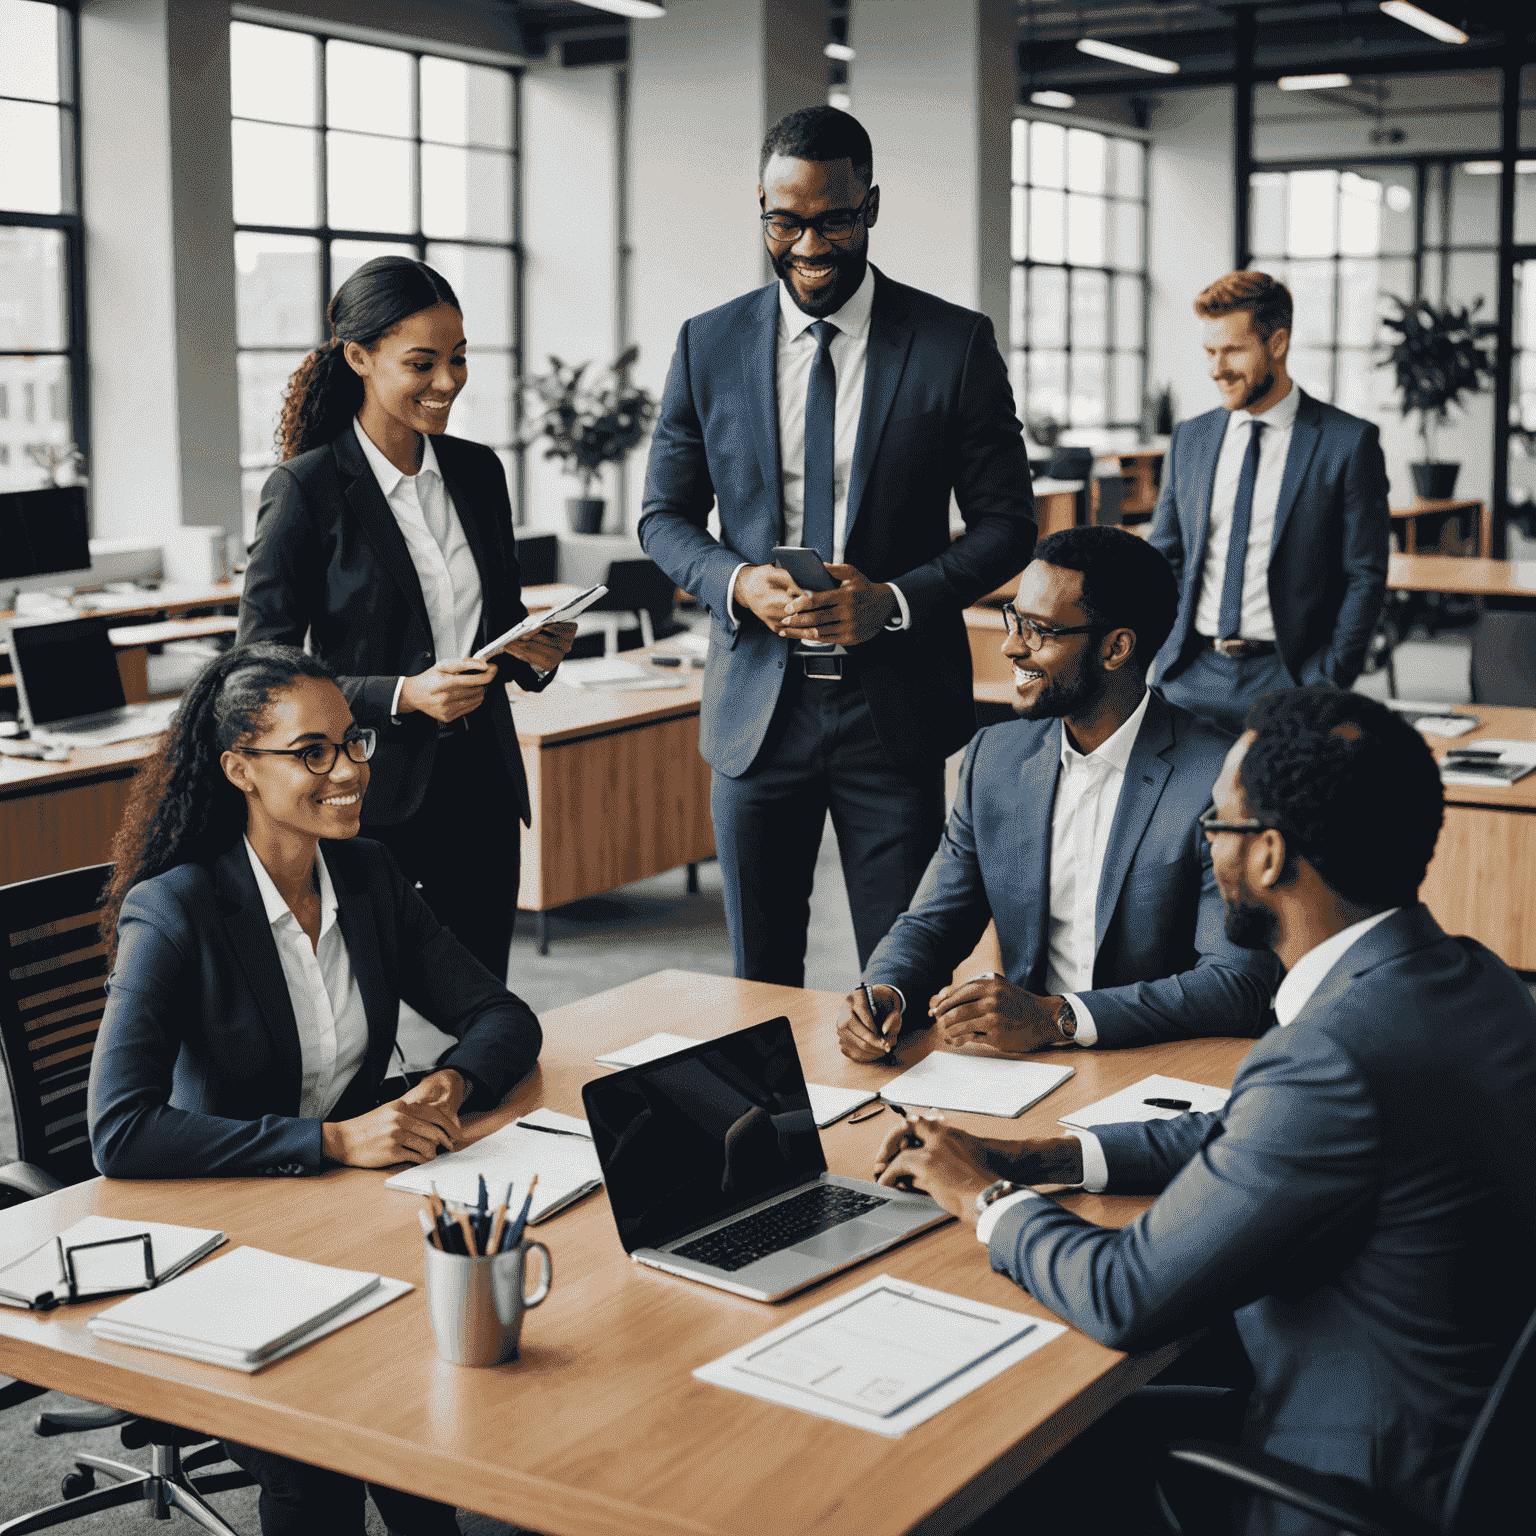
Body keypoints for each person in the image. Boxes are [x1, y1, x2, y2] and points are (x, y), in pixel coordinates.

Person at [873, 688, 1536, 1535]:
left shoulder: (1329, 1057)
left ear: (1267, 857)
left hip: (1348, 1485)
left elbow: (1126, 1293)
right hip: (1468, 1452)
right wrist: (1049, 1156)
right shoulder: (1474, 978)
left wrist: (980, 1200)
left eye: (1214, 825)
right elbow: (1260, 1136)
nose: (1204, 844)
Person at [89, 644, 543, 1534]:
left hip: (351, 1219)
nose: (350, 771)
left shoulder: (368, 877)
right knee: (322, 1454)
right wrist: (334, 1142)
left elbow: (503, 1017)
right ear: (239, 772)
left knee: (427, 1409)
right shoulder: (175, 909)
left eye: (353, 742)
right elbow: (121, 1128)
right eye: (313, 753)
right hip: (226, 1232)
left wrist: (448, 1085)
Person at [639, 106, 1036, 987]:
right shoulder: (707, 344)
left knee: (900, 978)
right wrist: (737, 582)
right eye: (785, 221)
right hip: (755, 714)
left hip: (889, 715)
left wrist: (890, 601)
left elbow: (1011, 522)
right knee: (757, 982)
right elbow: (662, 517)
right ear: (763, 209)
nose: (809, 244)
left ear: (872, 206)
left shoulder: (951, 343)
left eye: (834, 219)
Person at [237, 255, 574, 984]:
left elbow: (498, 622)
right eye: (422, 363)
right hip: (370, 791)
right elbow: (258, 669)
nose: (447, 382)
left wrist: (535, 652)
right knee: (372, 1007)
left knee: (485, 998)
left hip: (480, 785)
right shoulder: (306, 489)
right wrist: (402, 693)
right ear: (359, 357)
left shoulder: (479, 473)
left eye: (457, 359)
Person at [836, 527, 1279, 1062]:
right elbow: (934, 921)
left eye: (1039, 630)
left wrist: (1058, 1017)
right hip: (1025, 1062)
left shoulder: (1222, 778)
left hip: (1161, 1061)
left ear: (1116, 647)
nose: (1011, 645)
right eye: (1013, 618)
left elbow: (1237, 984)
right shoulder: (994, 758)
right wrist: (887, 990)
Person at [1149, 270, 1390, 735]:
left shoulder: (1349, 443)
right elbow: (1164, 556)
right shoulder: (1190, 439)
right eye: (1209, 352)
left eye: (1233, 351)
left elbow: (1365, 572)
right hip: (1189, 674)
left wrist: (1330, 676)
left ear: (1277, 344)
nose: (1217, 369)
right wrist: (1161, 657)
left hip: (1292, 677)